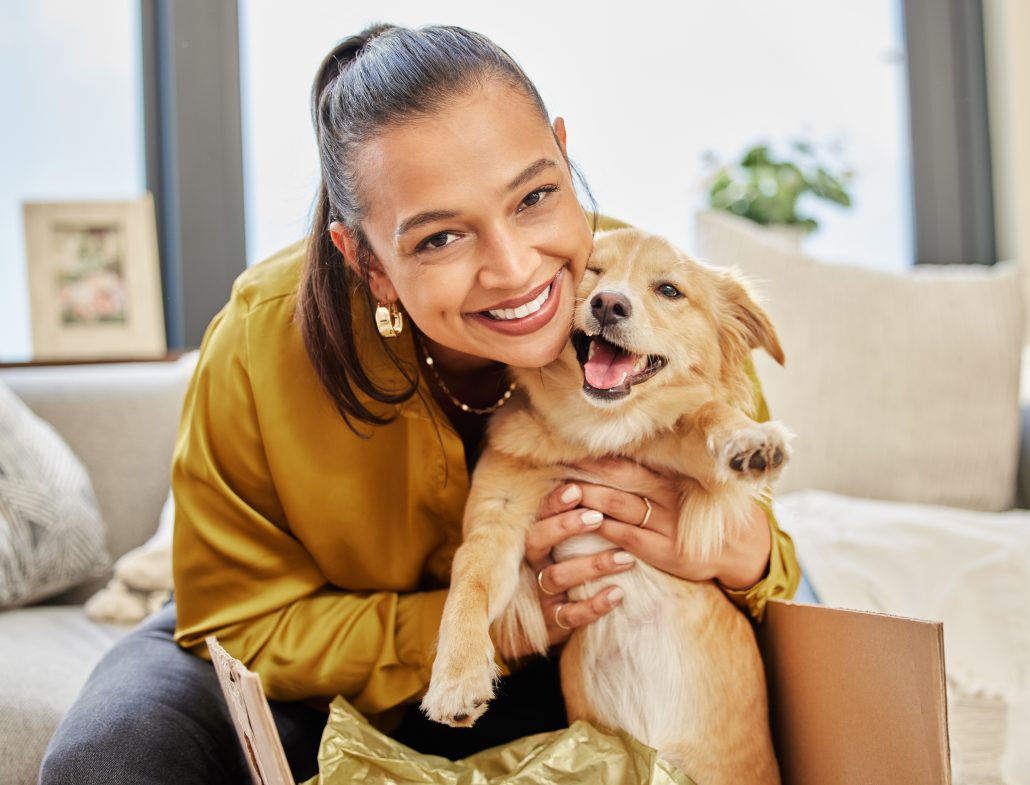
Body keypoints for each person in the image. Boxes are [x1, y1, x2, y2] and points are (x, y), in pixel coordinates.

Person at [38, 23, 800, 784]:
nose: (513, 269)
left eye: (535, 196)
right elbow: (235, 622)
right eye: (440, 239)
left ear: (565, 158)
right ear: (366, 260)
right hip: (321, 669)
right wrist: (490, 621)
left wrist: (738, 551)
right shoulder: (258, 339)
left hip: (572, 660)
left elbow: (767, 558)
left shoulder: (662, 305)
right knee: (108, 759)